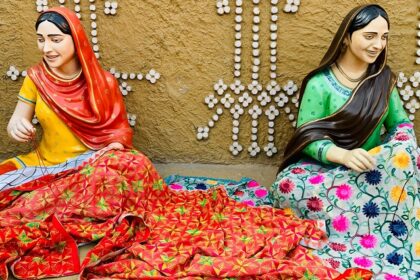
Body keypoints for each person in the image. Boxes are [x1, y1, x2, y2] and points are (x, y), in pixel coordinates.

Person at [0, 7, 359, 280]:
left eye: (55, 39)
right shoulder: (36, 79)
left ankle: (105, 211)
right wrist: (18, 123)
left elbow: (119, 133)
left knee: (135, 165)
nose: (47, 47)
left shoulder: (103, 82)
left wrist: (112, 147)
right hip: (51, 164)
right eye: (41, 39)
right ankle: (88, 212)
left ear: (74, 39)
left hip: (97, 163)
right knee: (26, 206)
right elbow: (20, 115)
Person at [271, 4, 419, 279]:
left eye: (384, 37)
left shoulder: (383, 81)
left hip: (370, 171)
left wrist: (399, 146)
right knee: (288, 187)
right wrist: (341, 155)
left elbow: (400, 124)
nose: (378, 44)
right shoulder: (320, 83)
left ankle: (368, 227)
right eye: (370, 35)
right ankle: (362, 225)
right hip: (326, 175)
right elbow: (307, 137)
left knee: (406, 155)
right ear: (347, 37)